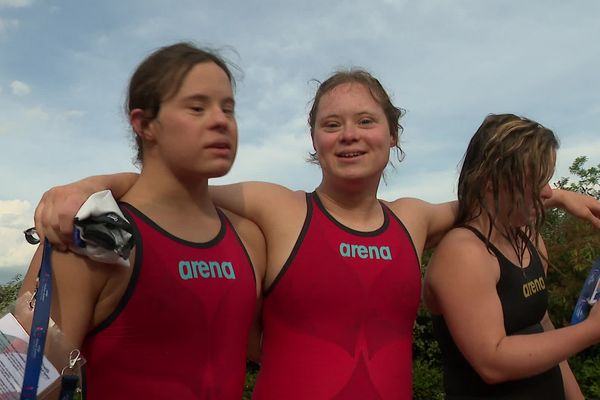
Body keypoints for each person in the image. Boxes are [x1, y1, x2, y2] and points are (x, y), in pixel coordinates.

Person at [32, 72, 600, 399]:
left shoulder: (413, 218)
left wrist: (563, 195)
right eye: (331, 125)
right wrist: (85, 184)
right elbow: (162, 191)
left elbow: (492, 197)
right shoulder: (277, 208)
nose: (348, 136)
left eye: (365, 122)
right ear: (315, 141)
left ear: (392, 136)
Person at [18, 42, 266, 400]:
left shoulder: (248, 238)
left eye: (228, 108)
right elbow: (18, 385)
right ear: (145, 124)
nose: (220, 121)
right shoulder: (91, 235)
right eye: (197, 108)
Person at [423, 114, 600, 400]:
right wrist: (592, 330)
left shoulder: (528, 238)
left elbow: (543, 331)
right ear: (493, 180)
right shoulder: (464, 253)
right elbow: (493, 362)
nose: (548, 192)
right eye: (538, 181)